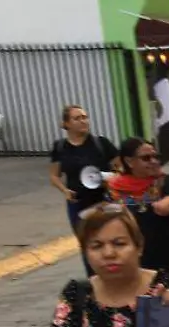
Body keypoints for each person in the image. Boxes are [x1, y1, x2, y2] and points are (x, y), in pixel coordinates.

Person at [104, 138, 169, 278]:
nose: (154, 161)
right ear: (129, 162)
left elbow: (166, 207)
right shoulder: (114, 189)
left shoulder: (165, 182)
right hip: (132, 264)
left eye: (156, 157)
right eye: (146, 158)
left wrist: (148, 203)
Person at [50, 104, 118, 274]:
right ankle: (94, 280)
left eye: (85, 117)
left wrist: (110, 180)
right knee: (87, 244)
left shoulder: (101, 143)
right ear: (66, 124)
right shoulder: (60, 147)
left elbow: (122, 168)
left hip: (104, 201)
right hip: (78, 204)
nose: (83, 121)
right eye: (77, 118)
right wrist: (65, 191)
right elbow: (54, 175)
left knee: (111, 240)